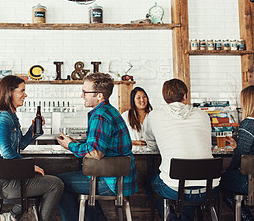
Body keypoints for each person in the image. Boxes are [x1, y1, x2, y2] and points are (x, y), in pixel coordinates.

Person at [0, 75, 64, 221]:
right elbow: (6, 152)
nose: (25, 95)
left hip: (4, 178)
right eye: (22, 91)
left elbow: (21, 145)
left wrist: (34, 129)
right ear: (10, 92)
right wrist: (29, 167)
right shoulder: (2, 117)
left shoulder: (11, 116)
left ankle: (11, 216)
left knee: (46, 181)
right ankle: (13, 216)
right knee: (56, 184)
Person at [56, 72, 138, 221]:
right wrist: (76, 143)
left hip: (111, 182)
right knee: (82, 183)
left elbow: (95, 152)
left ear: (99, 96)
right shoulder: (110, 111)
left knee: (57, 183)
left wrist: (70, 145)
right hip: (120, 179)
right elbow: (99, 146)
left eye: (85, 92)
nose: (82, 96)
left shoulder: (100, 115)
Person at [145, 78, 218, 220]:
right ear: (185, 96)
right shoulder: (203, 115)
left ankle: (173, 217)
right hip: (208, 189)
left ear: (165, 97)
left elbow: (151, 143)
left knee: (149, 182)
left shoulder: (154, 115)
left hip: (174, 188)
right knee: (185, 189)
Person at [220, 85, 254, 221]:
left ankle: (247, 218)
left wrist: (227, 170)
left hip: (250, 182)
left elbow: (240, 156)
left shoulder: (248, 124)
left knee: (217, 181)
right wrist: (237, 146)